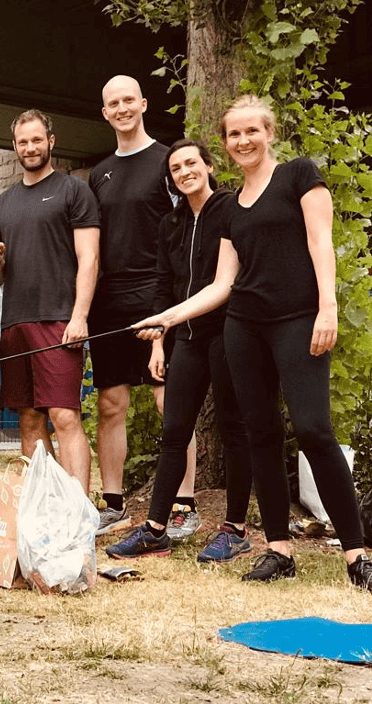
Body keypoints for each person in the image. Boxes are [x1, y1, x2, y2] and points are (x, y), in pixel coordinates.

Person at [135, 96, 371, 589]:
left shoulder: (300, 175)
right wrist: (168, 318)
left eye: (251, 131)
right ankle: (278, 549)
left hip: (298, 320)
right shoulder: (233, 207)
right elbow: (221, 285)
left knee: (313, 431)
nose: (243, 141)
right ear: (224, 145)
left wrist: (328, 307)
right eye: (233, 134)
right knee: (261, 434)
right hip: (244, 327)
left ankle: (356, 554)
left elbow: (320, 242)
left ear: (268, 132)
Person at [106, 139, 253, 560]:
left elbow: (229, 279)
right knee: (174, 431)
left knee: (233, 428)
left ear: (208, 166)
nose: (184, 172)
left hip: (228, 332)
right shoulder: (169, 223)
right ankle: (155, 529)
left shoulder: (229, 208)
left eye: (191, 163)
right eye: (176, 168)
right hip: (185, 337)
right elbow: (163, 285)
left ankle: (235, 530)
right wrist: (158, 343)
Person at [88, 75, 196, 536]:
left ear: (143, 103)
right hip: (108, 302)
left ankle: (183, 505)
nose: (122, 108)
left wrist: (178, 295)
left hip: (157, 297)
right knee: (111, 403)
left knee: (167, 398)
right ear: (106, 112)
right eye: (113, 103)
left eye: (129, 99)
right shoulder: (99, 173)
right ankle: (113, 502)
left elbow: (188, 225)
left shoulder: (166, 161)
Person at [0, 109, 100, 491]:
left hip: (59, 319)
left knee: (64, 415)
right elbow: (1, 277)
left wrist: (80, 316)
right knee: (29, 420)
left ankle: (78, 511)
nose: (30, 147)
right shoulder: (1, 204)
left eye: (37, 140)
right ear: (14, 147)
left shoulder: (74, 191)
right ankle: (46, 506)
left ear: (51, 141)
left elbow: (90, 258)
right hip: (14, 322)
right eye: (23, 141)